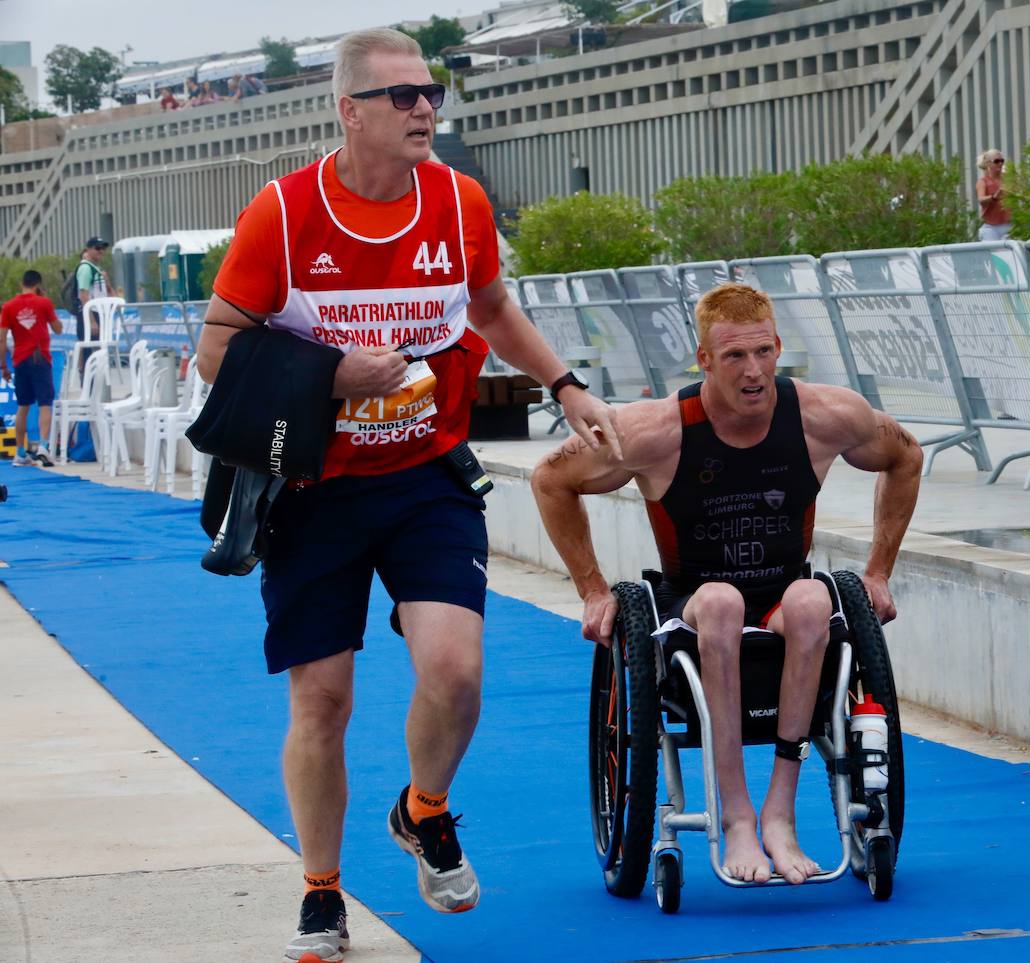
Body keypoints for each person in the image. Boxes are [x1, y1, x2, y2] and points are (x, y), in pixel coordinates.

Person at [192, 27, 620, 963]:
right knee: (323, 702)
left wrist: (566, 386)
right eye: (402, 96)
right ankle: (320, 890)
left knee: (457, 671)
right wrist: (333, 376)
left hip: (427, 476)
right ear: (349, 111)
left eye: (432, 91)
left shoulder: (460, 201)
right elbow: (216, 351)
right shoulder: (283, 213)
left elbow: (493, 306)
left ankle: (423, 810)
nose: (426, 108)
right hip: (310, 491)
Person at [531, 282, 923, 886]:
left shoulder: (825, 415)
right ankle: (736, 812)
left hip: (784, 600)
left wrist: (877, 572)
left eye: (763, 352)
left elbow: (906, 457)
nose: (754, 371)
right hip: (693, 604)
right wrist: (592, 588)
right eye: (735, 356)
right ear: (704, 360)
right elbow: (550, 480)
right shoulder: (655, 431)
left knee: (814, 596)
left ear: (778, 348)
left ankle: (780, 814)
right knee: (720, 600)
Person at [0, 270, 62, 467]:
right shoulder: (43, 303)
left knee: (23, 406)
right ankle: (43, 446)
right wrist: (44, 300)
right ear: (38, 285)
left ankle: (19, 453)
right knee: (45, 403)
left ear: (22, 283)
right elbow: (58, 329)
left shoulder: (9, 307)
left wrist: (3, 366)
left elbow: (1, 339)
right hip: (40, 357)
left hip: (19, 359)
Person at [74, 236, 111, 341]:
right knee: (89, 352)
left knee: (100, 350)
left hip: (99, 313)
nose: (101, 251)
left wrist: (108, 284)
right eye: (97, 248)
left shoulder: (97, 269)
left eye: (103, 248)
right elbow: (83, 296)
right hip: (90, 314)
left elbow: (109, 294)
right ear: (88, 250)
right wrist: (91, 320)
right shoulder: (86, 268)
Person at [975, 148, 1011, 241]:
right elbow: (981, 199)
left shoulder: (1007, 180)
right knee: (993, 253)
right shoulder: (983, 182)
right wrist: (994, 197)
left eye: (1002, 161)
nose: (1000, 163)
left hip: (1008, 225)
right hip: (991, 227)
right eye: (996, 161)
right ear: (988, 163)